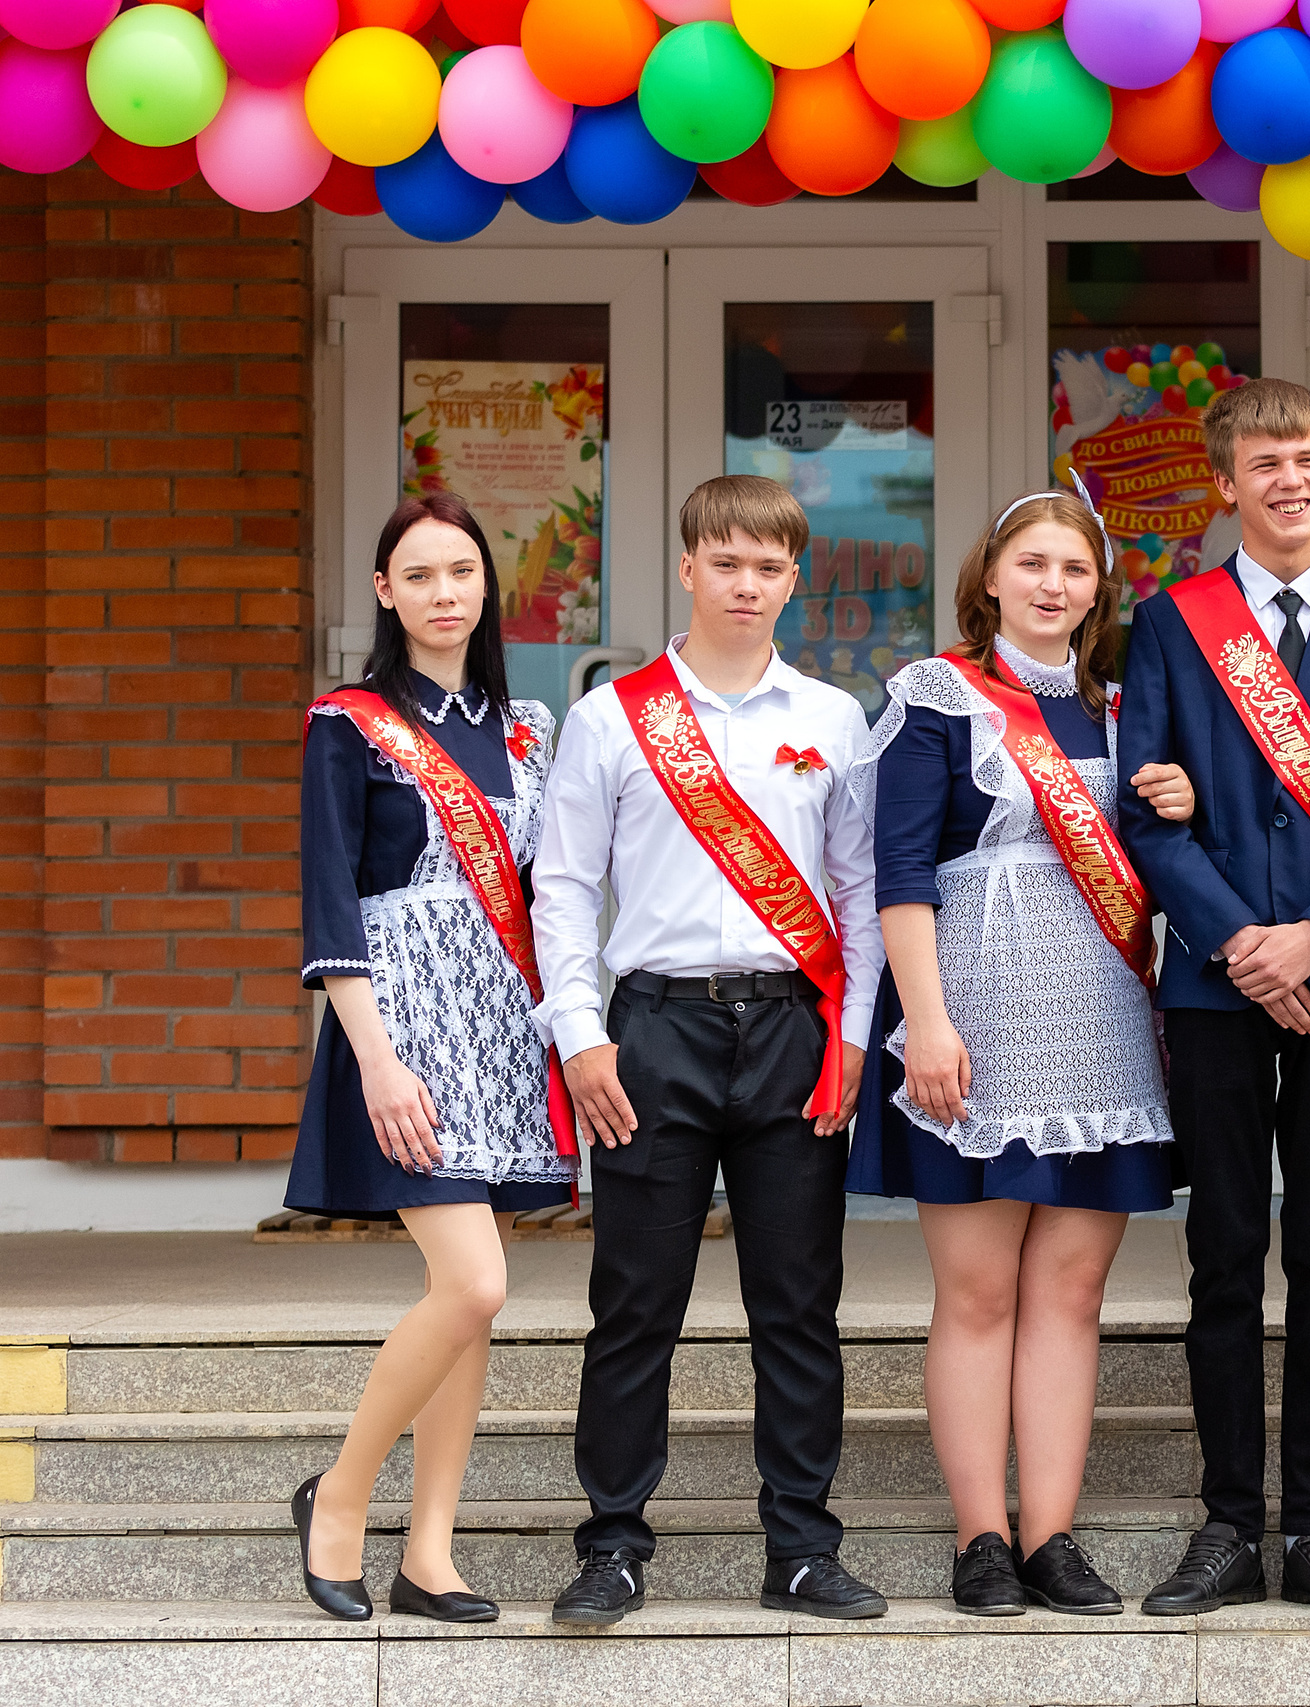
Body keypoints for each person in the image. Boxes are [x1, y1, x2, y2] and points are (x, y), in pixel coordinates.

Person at [532, 475, 889, 1626]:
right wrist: (580, 1035)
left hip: (793, 1030)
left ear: (795, 577)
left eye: (769, 566)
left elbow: (862, 890)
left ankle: (799, 1545)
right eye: (725, 562)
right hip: (653, 1033)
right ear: (686, 567)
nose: (747, 584)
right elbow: (564, 884)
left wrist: (852, 1035)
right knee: (636, 1302)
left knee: (798, 1303)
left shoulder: (830, 718)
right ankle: (614, 1545)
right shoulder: (613, 717)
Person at [1116, 378, 1310, 1617]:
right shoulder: (1171, 621)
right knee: (1222, 1257)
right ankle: (1225, 1526)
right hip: (1213, 981)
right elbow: (1147, 802)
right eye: (1264, 463)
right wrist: (1243, 943)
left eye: (1306, 457)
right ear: (1227, 482)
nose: (1288, 480)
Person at [845, 485, 1190, 1617]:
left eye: (1076, 570)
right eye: (1032, 564)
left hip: (1096, 1024)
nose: (1053, 586)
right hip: (975, 1025)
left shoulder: (1124, 707)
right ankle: (979, 1538)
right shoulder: (934, 697)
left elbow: (1155, 856)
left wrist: (1177, 799)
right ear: (990, 576)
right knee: (980, 1292)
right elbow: (898, 873)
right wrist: (924, 1022)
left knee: (1073, 1293)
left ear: (1099, 592)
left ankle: (1051, 1534)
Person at [287, 493, 577, 1623]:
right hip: (402, 1029)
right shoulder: (347, 723)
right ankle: (341, 1498)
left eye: (463, 572)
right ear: (384, 592)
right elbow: (331, 905)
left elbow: (556, 886)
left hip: (502, 1026)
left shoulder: (528, 728)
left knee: (469, 1304)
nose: (446, 593)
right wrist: (375, 1060)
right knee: (474, 1279)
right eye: (421, 575)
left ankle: (432, 1551)